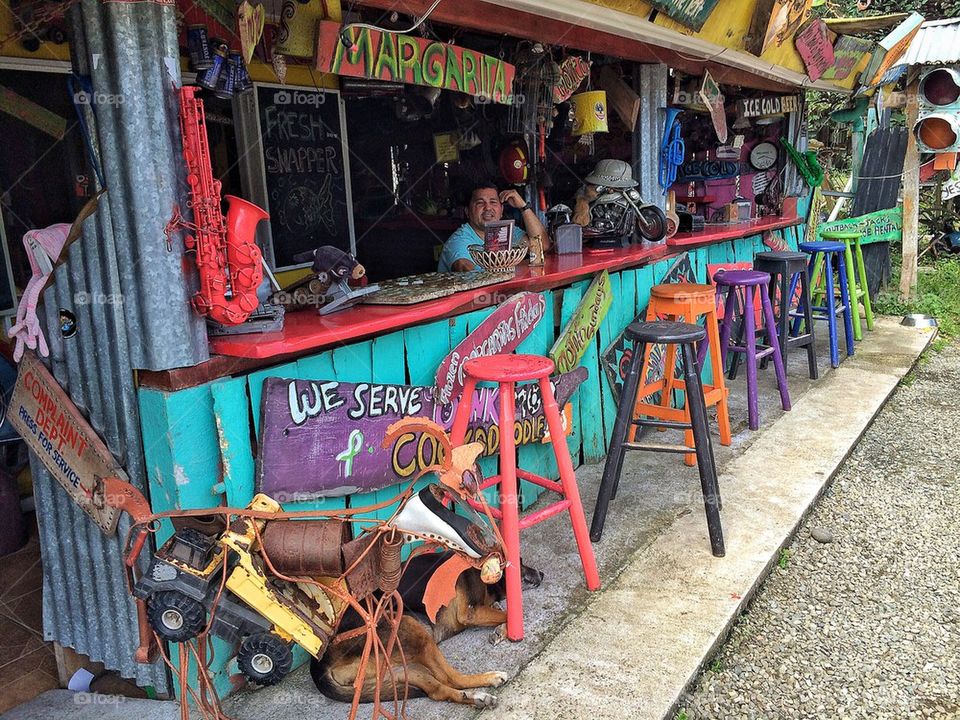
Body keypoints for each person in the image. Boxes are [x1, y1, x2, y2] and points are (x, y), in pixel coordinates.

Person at [438, 183, 547, 272]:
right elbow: (464, 268)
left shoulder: (507, 231)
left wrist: (523, 207)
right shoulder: (458, 240)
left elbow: (542, 246)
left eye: (493, 202)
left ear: (501, 210)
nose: (488, 207)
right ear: (467, 212)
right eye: (480, 203)